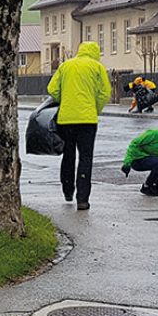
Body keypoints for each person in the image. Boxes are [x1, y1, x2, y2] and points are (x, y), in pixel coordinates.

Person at [46, 40, 111, 210]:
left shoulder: (66, 66)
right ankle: (82, 199)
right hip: (87, 121)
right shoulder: (97, 68)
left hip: (66, 119)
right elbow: (105, 93)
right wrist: (95, 108)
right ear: (96, 53)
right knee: (85, 158)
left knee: (68, 155)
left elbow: (52, 89)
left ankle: (67, 191)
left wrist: (65, 100)